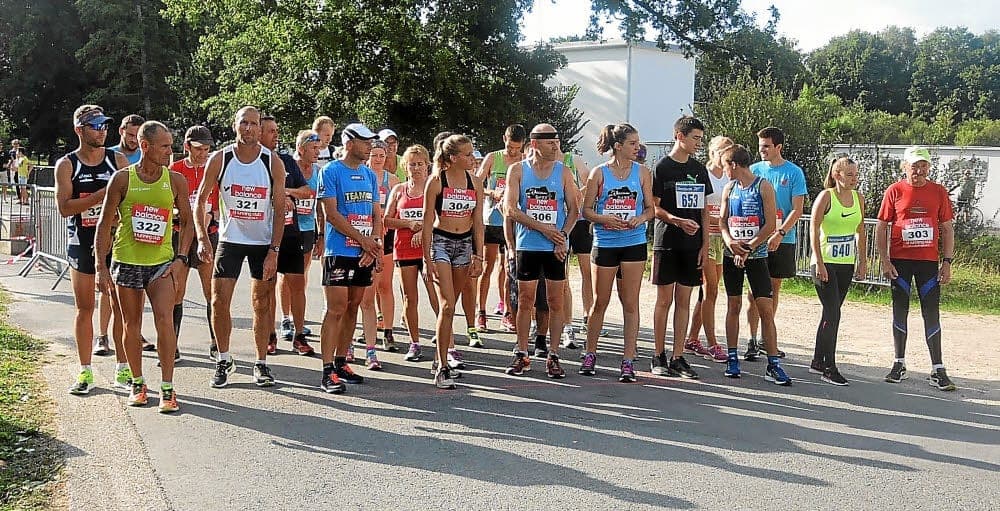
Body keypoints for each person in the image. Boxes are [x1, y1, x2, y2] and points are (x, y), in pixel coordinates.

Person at [94, 120, 194, 413]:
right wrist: (101, 266)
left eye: (170, 145)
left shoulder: (174, 180)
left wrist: (181, 258)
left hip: (161, 263)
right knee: (131, 325)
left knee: (164, 320)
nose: (170, 151)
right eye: (164, 146)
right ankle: (137, 382)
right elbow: (104, 223)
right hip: (126, 261)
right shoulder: (123, 179)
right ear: (145, 146)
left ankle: (167, 387)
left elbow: (187, 222)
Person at [193, 106, 287, 389]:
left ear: (260, 128)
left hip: (262, 242)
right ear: (235, 125)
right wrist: (201, 237)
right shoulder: (220, 159)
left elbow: (280, 211)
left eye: (253, 124)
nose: (248, 129)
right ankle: (223, 358)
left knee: (262, 303)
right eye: (243, 123)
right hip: (229, 240)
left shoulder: (273, 162)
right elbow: (200, 201)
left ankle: (261, 363)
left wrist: (274, 251)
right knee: (218, 300)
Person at [56, 105, 130, 395]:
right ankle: (85, 371)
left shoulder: (118, 160)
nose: (102, 130)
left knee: (122, 308)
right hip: (83, 242)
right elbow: (64, 208)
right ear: (79, 129)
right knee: (84, 308)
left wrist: (115, 213)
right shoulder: (67, 164)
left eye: (104, 125)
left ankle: (123, 368)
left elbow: (130, 202)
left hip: (116, 243)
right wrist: (102, 196)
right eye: (95, 125)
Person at [875, 146, 956, 391]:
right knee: (900, 310)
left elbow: (947, 228)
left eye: (923, 166)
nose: (919, 171)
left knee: (931, 312)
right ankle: (899, 363)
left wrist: (947, 262)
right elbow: (881, 226)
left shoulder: (938, 192)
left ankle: (937, 368)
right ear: (905, 167)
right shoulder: (895, 190)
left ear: (928, 168)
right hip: (900, 261)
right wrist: (885, 260)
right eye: (914, 166)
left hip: (928, 263)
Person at [579, 124, 655, 382]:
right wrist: (604, 218)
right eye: (633, 143)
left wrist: (639, 219)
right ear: (618, 145)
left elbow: (650, 209)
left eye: (638, 143)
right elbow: (586, 210)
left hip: (633, 241)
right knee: (601, 301)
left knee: (630, 303)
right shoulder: (599, 173)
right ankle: (590, 353)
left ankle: (628, 359)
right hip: (606, 242)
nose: (638, 147)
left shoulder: (642, 172)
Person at [503, 123, 579, 378]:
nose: (556, 146)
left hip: (555, 247)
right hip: (528, 244)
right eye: (550, 142)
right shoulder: (518, 170)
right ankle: (521, 352)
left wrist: (562, 237)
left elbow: (574, 211)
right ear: (535, 144)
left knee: (556, 301)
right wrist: (544, 229)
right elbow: (511, 209)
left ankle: (554, 355)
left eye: (557, 141)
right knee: (526, 301)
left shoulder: (563, 172)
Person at [316, 122, 383, 394]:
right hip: (339, 250)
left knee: (354, 305)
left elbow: (376, 213)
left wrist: (374, 245)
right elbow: (331, 214)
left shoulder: (369, 175)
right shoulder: (331, 171)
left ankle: (342, 361)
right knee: (336, 308)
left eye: (371, 142)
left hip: (363, 252)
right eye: (366, 142)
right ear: (349, 142)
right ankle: (326, 369)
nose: (370, 147)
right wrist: (363, 240)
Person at [717, 144, 791, 385]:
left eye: (725, 165)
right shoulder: (729, 187)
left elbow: (770, 224)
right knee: (733, 305)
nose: (723, 171)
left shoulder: (763, 187)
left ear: (734, 165)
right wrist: (730, 242)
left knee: (765, 309)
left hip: (756, 256)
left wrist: (749, 247)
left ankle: (773, 364)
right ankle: (732, 358)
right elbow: (723, 221)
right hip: (732, 255)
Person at [649, 116, 710, 379]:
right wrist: (675, 220)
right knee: (664, 300)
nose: (699, 143)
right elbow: (654, 206)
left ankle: (678, 356)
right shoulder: (662, 167)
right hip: (667, 242)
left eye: (700, 138)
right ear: (679, 136)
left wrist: (705, 243)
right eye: (695, 138)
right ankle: (658, 354)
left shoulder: (698, 169)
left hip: (692, 244)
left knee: (683, 300)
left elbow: (704, 209)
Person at [422, 134, 484, 389]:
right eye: (468, 155)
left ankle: (442, 356)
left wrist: (479, 255)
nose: (473, 158)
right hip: (441, 243)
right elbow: (427, 222)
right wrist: (427, 259)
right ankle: (442, 364)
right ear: (454, 158)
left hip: (464, 245)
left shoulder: (475, 182)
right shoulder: (437, 181)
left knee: (453, 305)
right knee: (446, 305)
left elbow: (478, 221)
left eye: (473, 154)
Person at [744, 126, 805, 360]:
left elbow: (797, 209)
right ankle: (750, 338)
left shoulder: (794, 173)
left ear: (778, 147)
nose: (762, 151)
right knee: (752, 292)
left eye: (767, 147)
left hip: (782, 238)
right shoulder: (754, 170)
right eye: (760, 147)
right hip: (756, 237)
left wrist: (780, 232)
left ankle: (765, 338)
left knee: (772, 289)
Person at [809, 156, 867, 386]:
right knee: (834, 313)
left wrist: (863, 261)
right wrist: (819, 262)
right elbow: (813, 229)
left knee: (830, 312)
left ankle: (817, 360)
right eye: (849, 174)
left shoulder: (858, 198)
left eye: (856, 174)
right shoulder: (826, 196)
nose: (854, 179)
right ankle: (829, 367)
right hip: (824, 262)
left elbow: (861, 231)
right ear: (837, 175)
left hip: (846, 263)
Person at [259, 115, 310, 357]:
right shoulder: (254, 162)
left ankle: (299, 335)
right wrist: (276, 198)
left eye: (276, 130)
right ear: (258, 134)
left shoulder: (288, 161)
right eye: (270, 131)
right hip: (264, 235)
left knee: (297, 285)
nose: (275, 135)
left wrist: (285, 192)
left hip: (291, 233)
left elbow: (307, 191)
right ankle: (270, 335)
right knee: (266, 288)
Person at [384, 145, 439, 361]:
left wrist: (426, 230)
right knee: (410, 297)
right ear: (404, 167)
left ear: (427, 166)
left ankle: (447, 340)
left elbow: (441, 218)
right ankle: (414, 342)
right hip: (404, 249)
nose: (416, 168)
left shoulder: (434, 188)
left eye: (420, 164)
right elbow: (387, 219)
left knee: (436, 295)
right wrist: (409, 223)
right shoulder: (399, 190)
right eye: (411, 164)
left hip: (429, 250)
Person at [169, 126, 218, 362]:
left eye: (207, 149)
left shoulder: (212, 169)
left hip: (208, 234)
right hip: (179, 235)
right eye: (198, 149)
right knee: (177, 290)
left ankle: (216, 343)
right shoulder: (175, 170)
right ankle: (172, 344)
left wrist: (202, 234)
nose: (203, 154)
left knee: (212, 291)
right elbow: (168, 205)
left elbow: (214, 207)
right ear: (187, 146)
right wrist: (181, 213)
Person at [683, 136, 733, 364]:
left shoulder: (728, 176)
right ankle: (713, 342)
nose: (726, 157)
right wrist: (717, 219)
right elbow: (695, 208)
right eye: (723, 151)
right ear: (713, 152)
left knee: (709, 292)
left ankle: (692, 338)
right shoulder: (703, 174)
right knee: (710, 289)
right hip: (705, 238)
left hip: (721, 238)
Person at [476, 124, 525, 333]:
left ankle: (507, 312)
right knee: (487, 266)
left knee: (508, 268)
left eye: (516, 147)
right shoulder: (492, 158)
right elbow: (476, 183)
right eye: (509, 145)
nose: (512, 151)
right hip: (492, 219)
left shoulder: (524, 161)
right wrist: (491, 193)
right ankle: (481, 313)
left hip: (514, 221)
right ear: (504, 138)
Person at [278, 129, 322, 356]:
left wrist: (321, 233)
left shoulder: (318, 171)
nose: (318, 152)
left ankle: (298, 324)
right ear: (301, 148)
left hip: (308, 228)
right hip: (288, 227)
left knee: (300, 277)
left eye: (319, 148)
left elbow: (320, 203)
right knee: (285, 277)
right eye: (314, 148)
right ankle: (285, 318)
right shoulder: (289, 166)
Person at [561, 149, 591, 350]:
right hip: (560, 223)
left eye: (556, 143)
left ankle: (589, 316)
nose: (554, 147)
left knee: (587, 271)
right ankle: (566, 323)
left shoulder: (573, 160)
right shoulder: (542, 166)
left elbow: (591, 181)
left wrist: (577, 194)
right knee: (563, 276)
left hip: (580, 222)